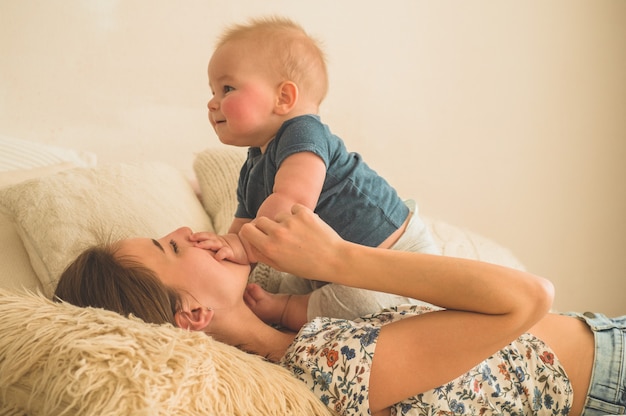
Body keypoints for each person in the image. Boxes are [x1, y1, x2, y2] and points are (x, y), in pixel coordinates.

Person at [55, 204, 625, 416]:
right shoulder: (320, 364)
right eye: (170, 248)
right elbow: (529, 296)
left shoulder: (291, 330)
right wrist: (338, 258)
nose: (185, 229)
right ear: (192, 314)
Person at [201, 16, 440, 331]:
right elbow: (244, 225)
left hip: (396, 261)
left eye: (226, 88)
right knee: (309, 281)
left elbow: (292, 203)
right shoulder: (253, 164)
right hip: (341, 266)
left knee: (359, 305)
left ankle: (289, 310)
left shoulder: (303, 135)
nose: (212, 102)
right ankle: (297, 303)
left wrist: (244, 248)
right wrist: (224, 249)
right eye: (213, 91)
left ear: (284, 98)